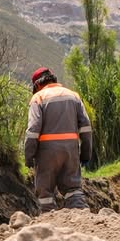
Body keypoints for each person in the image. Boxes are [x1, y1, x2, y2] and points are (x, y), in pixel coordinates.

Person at [24, 67, 93, 212]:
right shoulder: (73, 96)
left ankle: (50, 223)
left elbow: (33, 130)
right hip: (70, 151)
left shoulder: (38, 97)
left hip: (46, 153)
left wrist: (29, 155)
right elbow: (86, 126)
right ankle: (82, 220)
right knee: (73, 189)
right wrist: (86, 154)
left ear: (36, 85)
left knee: (45, 192)